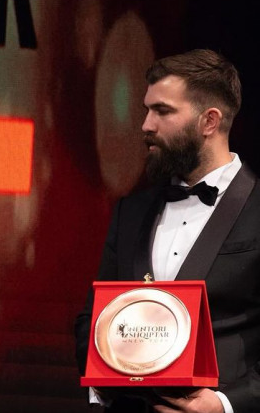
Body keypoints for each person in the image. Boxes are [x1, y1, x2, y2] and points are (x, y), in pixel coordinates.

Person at [75, 49, 260, 412]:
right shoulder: (130, 211)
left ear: (209, 121)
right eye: (146, 110)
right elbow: (92, 319)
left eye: (162, 111)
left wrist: (225, 404)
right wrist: (102, 390)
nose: (146, 125)